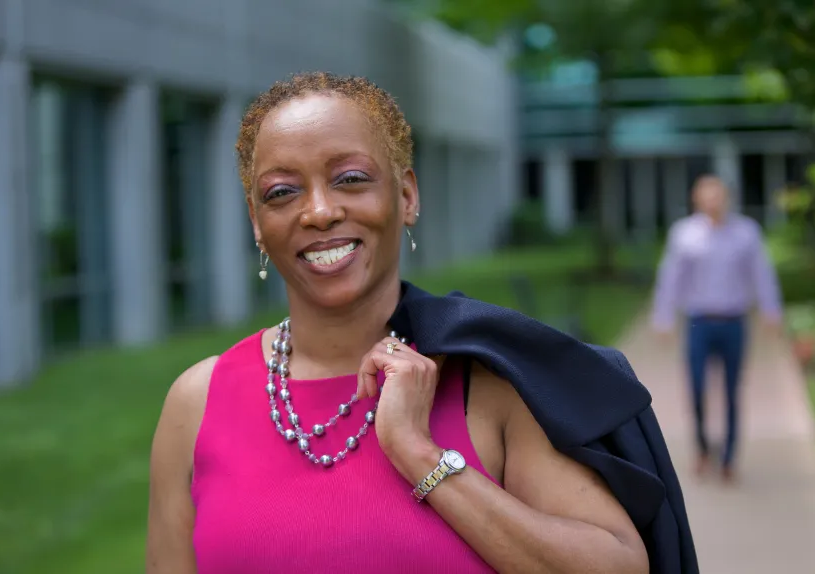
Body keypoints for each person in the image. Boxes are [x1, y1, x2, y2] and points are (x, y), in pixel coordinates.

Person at [146, 72, 693, 574]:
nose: (318, 211)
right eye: (282, 192)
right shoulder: (198, 402)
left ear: (405, 195)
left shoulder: (489, 383)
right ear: (257, 224)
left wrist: (421, 456)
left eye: (350, 179)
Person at [650, 175, 783, 483]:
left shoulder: (746, 232)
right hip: (698, 322)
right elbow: (671, 278)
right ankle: (701, 448)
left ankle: (729, 457)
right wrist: (663, 317)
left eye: (718, 196)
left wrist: (771, 310)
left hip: (734, 321)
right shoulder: (684, 234)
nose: (713, 202)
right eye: (707, 197)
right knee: (696, 387)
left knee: (732, 390)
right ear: (697, 200)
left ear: (727, 198)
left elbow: (761, 273)